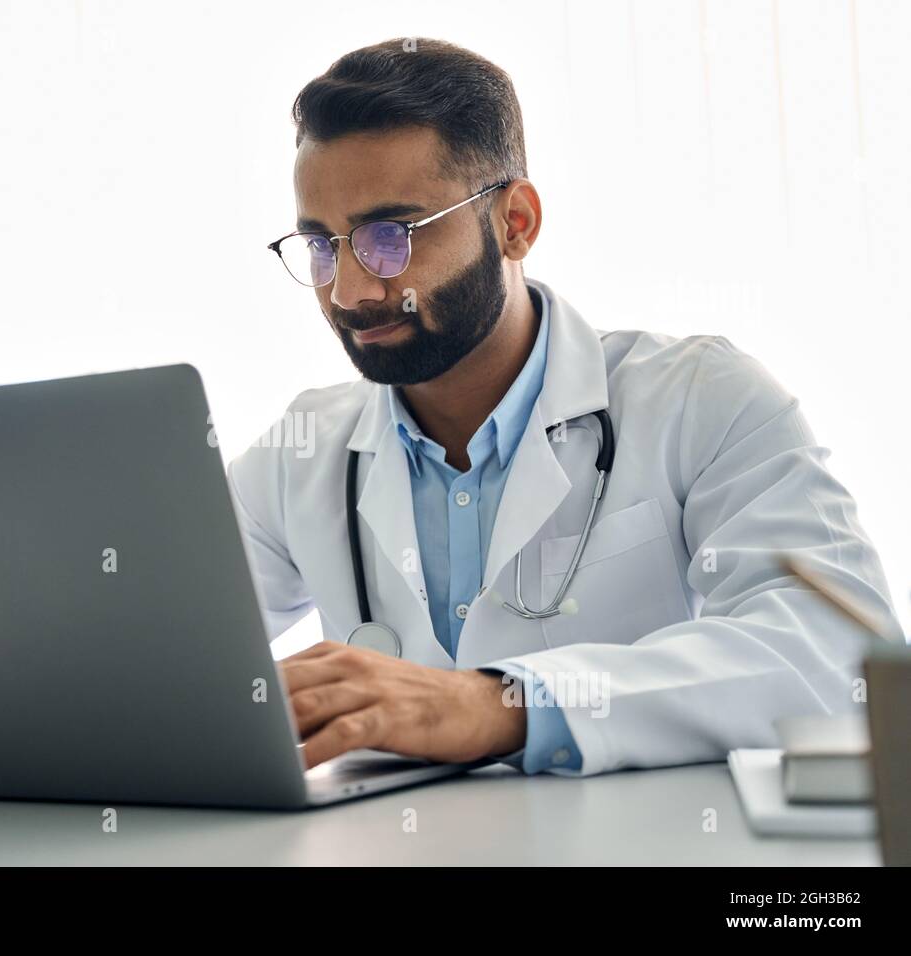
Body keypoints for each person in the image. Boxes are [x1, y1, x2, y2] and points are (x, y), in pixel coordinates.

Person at [228, 37, 904, 776]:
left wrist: (499, 705)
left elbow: (840, 654)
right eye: (323, 246)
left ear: (515, 221)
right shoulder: (298, 456)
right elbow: (144, 660)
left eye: (392, 237)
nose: (351, 291)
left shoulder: (703, 400)